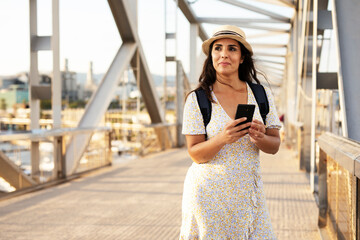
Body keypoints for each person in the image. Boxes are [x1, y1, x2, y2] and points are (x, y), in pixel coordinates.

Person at [179, 25, 281, 239]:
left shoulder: (261, 94)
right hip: (208, 196)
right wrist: (222, 139)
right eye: (218, 48)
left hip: (249, 196)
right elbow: (195, 154)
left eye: (232, 49)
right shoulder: (197, 99)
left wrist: (260, 137)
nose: (224, 54)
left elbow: (274, 146)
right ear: (211, 56)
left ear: (242, 57)